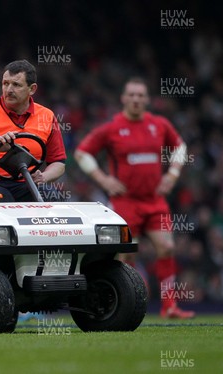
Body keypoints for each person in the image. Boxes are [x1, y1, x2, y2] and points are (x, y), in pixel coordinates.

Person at [74, 77, 195, 319]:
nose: (136, 99)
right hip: (125, 203)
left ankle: (169, 306)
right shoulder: (111, 128)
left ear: (147, 99)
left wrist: (172, 174)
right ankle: (123, 304)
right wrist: (103, 179)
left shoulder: (159, 124)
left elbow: (180, 147)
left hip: (154, 201)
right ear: (123, 98)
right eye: (132, 95)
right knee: (125, 256)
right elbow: (81, 153)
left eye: (141, 95)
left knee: (167, 247)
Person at [0, 60, 66, 202]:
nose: (8, 90)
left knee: (53, 199)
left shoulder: (47, 116)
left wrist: (44, 177)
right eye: (5, 83)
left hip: (23, 183)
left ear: (32, 89)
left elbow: (59, 162)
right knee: (4, 200)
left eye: (16, 85)